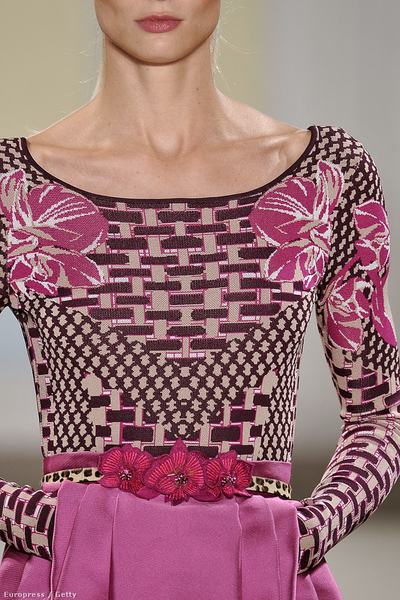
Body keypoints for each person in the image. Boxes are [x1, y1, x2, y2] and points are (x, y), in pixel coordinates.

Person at [0, 1, 399, 598]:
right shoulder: (13, 188)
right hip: (73, 577)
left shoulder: (326, 175)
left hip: (260, 577)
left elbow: (379, 412)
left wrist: (303, 533)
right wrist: (47, 523)